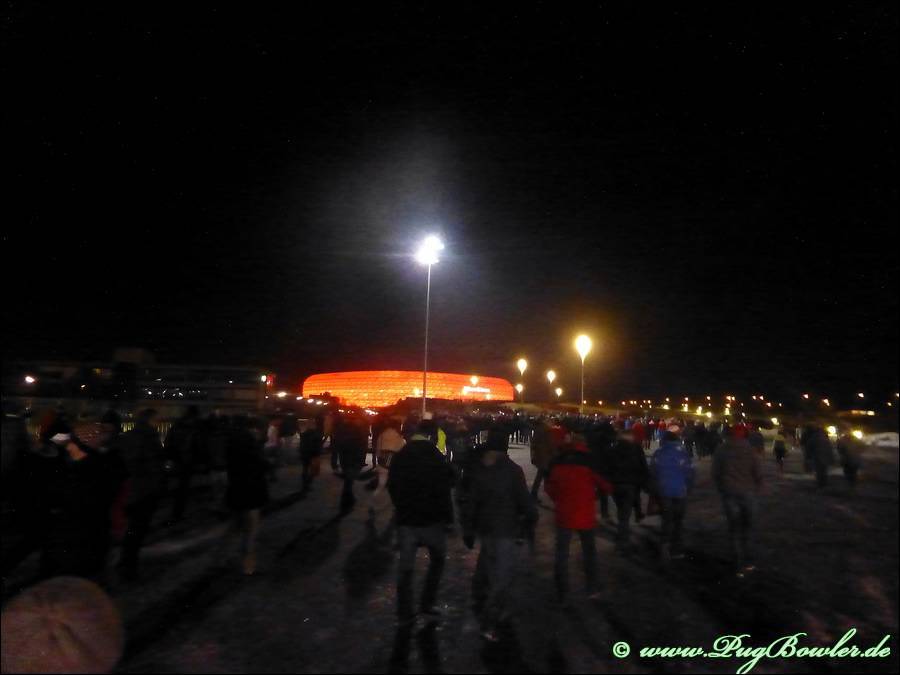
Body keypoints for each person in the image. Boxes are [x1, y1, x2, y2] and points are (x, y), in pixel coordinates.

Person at [461, 428, 536, 642]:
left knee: (487, 566)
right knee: (502, 578)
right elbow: (523, 500)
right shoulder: (512, 470)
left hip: (486, 528)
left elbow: (471, 502)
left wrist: (468, 529)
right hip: (505, 529)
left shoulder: (479, 468)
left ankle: (480, 600)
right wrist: (531, 518)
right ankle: (490, 621)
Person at [387, 420, 456, 624]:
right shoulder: (436, 457)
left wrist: (400, 506)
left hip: (407, 519)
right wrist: (449, 518)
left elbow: (392, 485)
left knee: (406, 567)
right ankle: (427, 603)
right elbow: (444, 490)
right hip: (431, 519)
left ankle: (404, 611)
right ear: (432, 436)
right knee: (438, 560)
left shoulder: (401, 455)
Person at [544, 429, 612, 603]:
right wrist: (593, 495)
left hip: (564, 512)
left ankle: (562, 591)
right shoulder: (590, 460)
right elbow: (606, 485)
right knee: (589, 551)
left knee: (562, 553)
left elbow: (549, 486)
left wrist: (559, 498)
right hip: (585, 512)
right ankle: (592, 587)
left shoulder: (558, 460)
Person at [118, 408, 167, 580]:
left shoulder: (129, 436)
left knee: (132, 528)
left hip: (132, 488)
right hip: (146, 489)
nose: (159, 422)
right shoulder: (150, 437)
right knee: (138, 528)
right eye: (157, 419)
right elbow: (154, 465)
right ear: (151, 420)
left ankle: (125, 561)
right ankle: (129, 567)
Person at [713, 426, 763, 575]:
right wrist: (757, 487)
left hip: (729, 492)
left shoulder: (721, 450)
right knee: (748, 528)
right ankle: (748, 561)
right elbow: (758, 472)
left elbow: (715, 472)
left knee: (734, 529)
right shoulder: (750, 450)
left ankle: (737, 564)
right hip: (747, 492)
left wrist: (722, 488)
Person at [223, 415, 269, 575]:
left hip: (236, 489)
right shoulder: (251, 445)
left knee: (234, 525)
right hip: (252, 492)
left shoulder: (232, 441)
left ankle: (222, 557)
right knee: (251, 529)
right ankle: (248, 565)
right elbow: (260, 465)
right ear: (255, 429)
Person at [650, 429, 694, 560]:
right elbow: (689, 473)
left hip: (664, 491)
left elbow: (652, 473)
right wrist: (688, 488)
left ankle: (664, 547)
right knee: (678, 521)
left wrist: (654, 490)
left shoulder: (658, 453)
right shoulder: (683, 454)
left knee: (666, 520)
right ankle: (677, 549)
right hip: (680, 491)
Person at [606, 427, 649, 551]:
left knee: (622, 511)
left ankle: (622, 534)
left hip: (616, 485)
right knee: (625, 514)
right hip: (630, 484)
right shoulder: (636, 449)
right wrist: (643, 482)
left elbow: (607, 468)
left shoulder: (612, 450)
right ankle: (622, 540)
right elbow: (643, 467)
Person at [165, 406, 204, 521]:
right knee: (183, 488)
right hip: (186, 461)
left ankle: (175, 512)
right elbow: (198, 446)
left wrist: (170, 457)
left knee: (177, 487)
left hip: (176, 461)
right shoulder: (194, 428)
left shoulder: (177, 426)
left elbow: (168, 442)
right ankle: (178, 513)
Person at [333, 415, 368, 513]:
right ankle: (346, 502)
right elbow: (361, 447)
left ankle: (349, 500)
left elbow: (338, 445)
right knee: (349, 482)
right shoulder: (357, 432)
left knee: (348, 481)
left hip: (345, 460)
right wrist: (360, 460)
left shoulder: (342, 431)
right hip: (353, 460)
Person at [373, 419, 405, 497]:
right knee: (394, 480)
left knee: (382, 480)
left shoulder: (382, 434)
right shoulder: (399, 437)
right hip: (394, 460)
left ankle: (376, 495)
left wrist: (378, 457)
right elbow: (402, 450)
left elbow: (378, 448)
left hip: (383, 459)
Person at [529, 418, 558, 502]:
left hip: (541, 455)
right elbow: (550, 444)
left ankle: (536, 493)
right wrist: (555, 453)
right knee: (543, 474)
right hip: (545, 456)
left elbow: (534, 443)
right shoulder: (546, 430)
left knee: (543, 475)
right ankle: (535, 493)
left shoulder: (539, 429)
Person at [299, 416, 325, 493]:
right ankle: (307, 484)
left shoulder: (303, 434)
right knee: (313, 471)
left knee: (305, 469)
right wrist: (318, 454)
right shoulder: (316, 434)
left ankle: (305, 484)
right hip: (313, 455)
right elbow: (318, 446)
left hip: (305, 454)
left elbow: (302, 445)